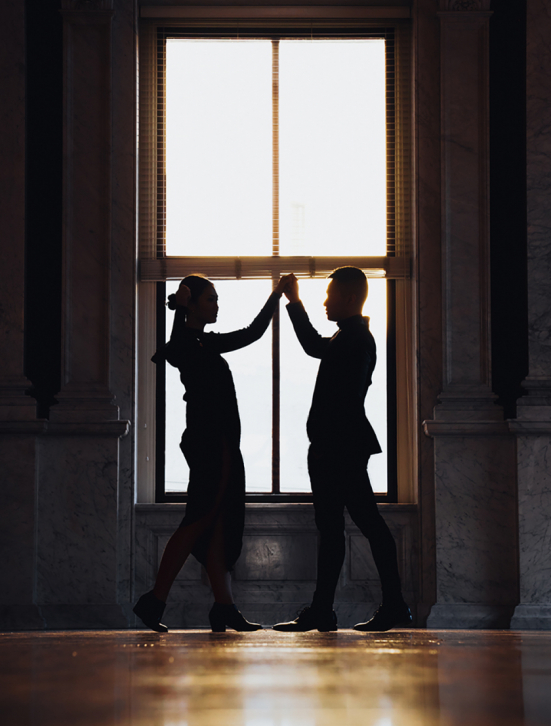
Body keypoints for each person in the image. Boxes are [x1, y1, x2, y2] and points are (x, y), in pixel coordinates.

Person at [134, 274, 287, 633]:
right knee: (200, 518)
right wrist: (181, 306)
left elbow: (252, 333)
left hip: (219, 442)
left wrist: (275, 297)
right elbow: (176, 343)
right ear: (193, 304)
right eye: (211, 300)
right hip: (210, 443)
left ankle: (223, 607)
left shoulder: (205, 342)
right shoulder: (187, 342)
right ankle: (154, 601)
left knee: (216, 522)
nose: (216, 305)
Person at [273, 267, 412, 633]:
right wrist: (295, 303)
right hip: (340, 447)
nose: (325, 301)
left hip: (339, 449)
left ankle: (376, 607)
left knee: (354, 527)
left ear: (349, 298)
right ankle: (337, 609)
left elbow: (343, 401)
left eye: (330, 295)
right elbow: (315, 347)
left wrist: (325, 447)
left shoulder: (354, 340)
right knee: (346, 527)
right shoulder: (349, 337)